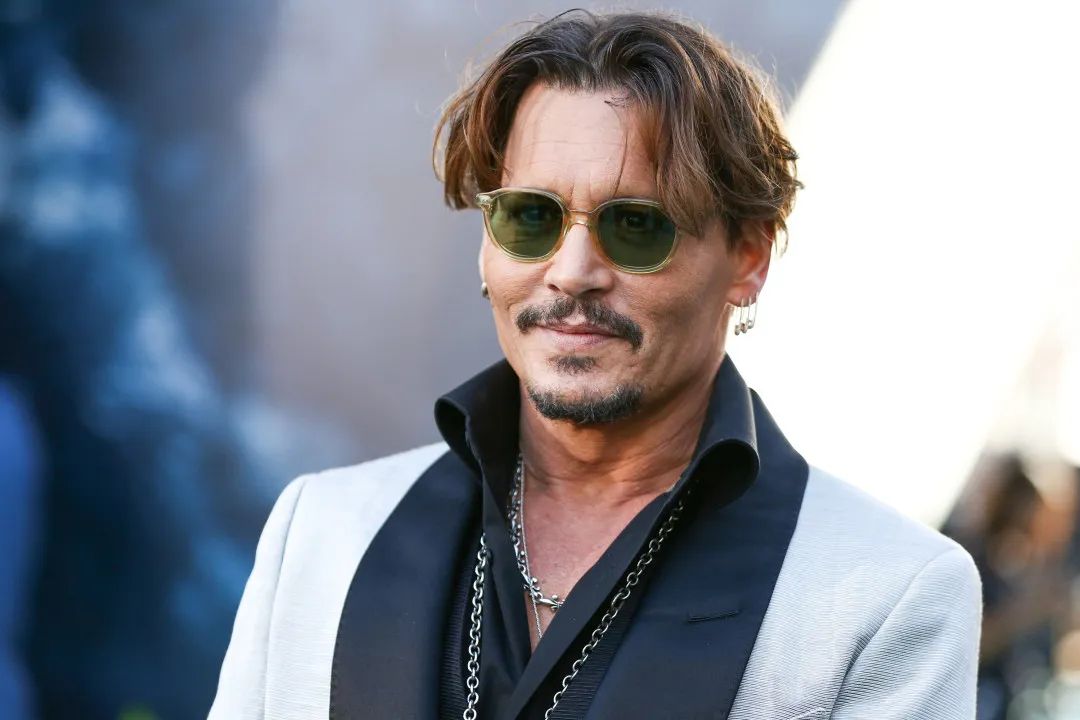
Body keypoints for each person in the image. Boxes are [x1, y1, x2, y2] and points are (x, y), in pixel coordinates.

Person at [209, 10, 982, 719]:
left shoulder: (885, 597)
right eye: (530, 217)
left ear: (748, 258)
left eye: (636, 226)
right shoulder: (321, 532)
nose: (572, 271)